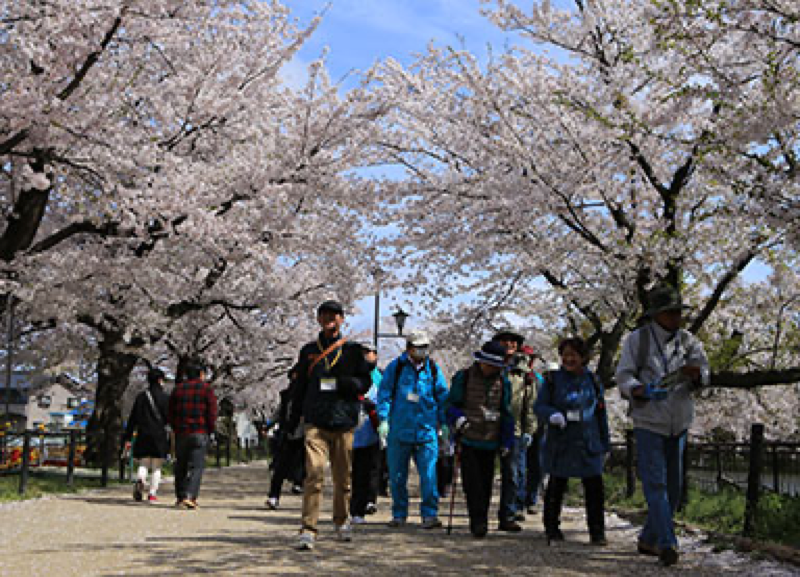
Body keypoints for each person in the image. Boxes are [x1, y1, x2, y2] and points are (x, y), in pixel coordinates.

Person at [615, 284, 709, 567]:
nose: (676, 317)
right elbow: (623, 375)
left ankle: (647, 537)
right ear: (657, 314)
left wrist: (697, 376)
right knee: (656, 483)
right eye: (670, 312)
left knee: (675, 488)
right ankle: (668, 543)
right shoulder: (638, 340)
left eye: (678, 312)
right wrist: (638, 389)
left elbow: (705, 372)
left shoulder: (689, 341)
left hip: (679, 420)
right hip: (649, 421)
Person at [288, 300, 372, 551]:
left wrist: (344, 383)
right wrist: (293, 419)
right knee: (313, 473)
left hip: (343, 420)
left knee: (342, 477)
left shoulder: (354, 351)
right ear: (318, 319)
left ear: (342, 319)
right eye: (324, 315)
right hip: (316, 419)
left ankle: (341, 519)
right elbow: (299, 385)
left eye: (334, 315)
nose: (329, 319)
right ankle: (308, 528)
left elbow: (365, 383)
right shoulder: (308, 351)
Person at [534, 337, 610, 546]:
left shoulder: (593, 381)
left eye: (573, 355)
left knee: (594, 487)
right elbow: (539, 406)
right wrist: (552, 415)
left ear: (583, 358)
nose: (568, 359)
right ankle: (551, 528)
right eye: (565, 355)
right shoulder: (552, 380)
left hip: (588, 440)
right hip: (562, 440)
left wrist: (605, 443)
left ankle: (597, 531)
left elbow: (601, 414)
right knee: (557, 485)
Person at [376, 331, 449, 529]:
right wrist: (384, 419)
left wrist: (444, 423)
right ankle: (399, 514)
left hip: (426, 431)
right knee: (397, 476)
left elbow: (443, 396)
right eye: (418, 347)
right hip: (399, 431)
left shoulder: (433, 369)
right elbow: (384, 394)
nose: (422, 351)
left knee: (429, 475)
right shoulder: (396, 367)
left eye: (425, 347)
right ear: (409, 348)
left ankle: (430, 514)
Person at [446, 340, 514, 538]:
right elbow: (450, 405)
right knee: (472, 482)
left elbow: (507, 412)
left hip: (491, 439)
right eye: (488, 363)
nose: (491, 368)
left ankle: (482, 517)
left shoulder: (504, 382)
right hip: (468, 437)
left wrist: (507, 441)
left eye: (495, 365)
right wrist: (457, 419)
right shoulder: (464, 377)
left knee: (486, 482)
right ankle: (477, 521)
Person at [492, 329, 535, 531]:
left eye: (513, 342)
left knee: (512, 473)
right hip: (488, 428)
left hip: (515, 430)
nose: (509, 344)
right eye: (504, 341)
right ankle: (480, 514)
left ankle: (508, 514)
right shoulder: (489, 366)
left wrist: (529, 430)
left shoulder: (525, 373)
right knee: (483, 472)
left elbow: (530, 404)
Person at [168, 360, 218, 510]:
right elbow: (212, 412)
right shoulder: (206, 389)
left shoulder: (177, 389)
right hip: (200, 431)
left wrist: (175, 427)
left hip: (182, 432)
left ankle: (180, 496)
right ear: (201, 374)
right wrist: (210, 429)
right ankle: (190, 496)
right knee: (196, 466)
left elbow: (170, 412)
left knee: (181, 465)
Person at [123, 368, 170, 503]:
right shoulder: (165, 398)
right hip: (159, 435)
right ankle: (152, 493)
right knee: (156, 466)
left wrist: (128, 437)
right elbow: (169, 418)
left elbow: (133, 419)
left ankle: (140, 480)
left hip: (143, 434)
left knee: (143, 463)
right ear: (160, 380)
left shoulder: (141, 397)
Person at [350, 342, 382, 524]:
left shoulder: (381, 377)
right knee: (354, 473)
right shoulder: (349, 375)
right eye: (363, 352)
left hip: (372, 431)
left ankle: (366, 502)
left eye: (370, 352)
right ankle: (353, 508)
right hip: (351, 432)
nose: (367, 356)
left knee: (371, 469)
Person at [266, 366, 305, 510]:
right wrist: (268, 425)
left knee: (303, 462)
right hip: (287, 432)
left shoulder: (309, 394)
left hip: (305, 433)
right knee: (281, 466)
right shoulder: (287, 395)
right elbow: (279, 412)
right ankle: (274, 495)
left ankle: (298, 483)